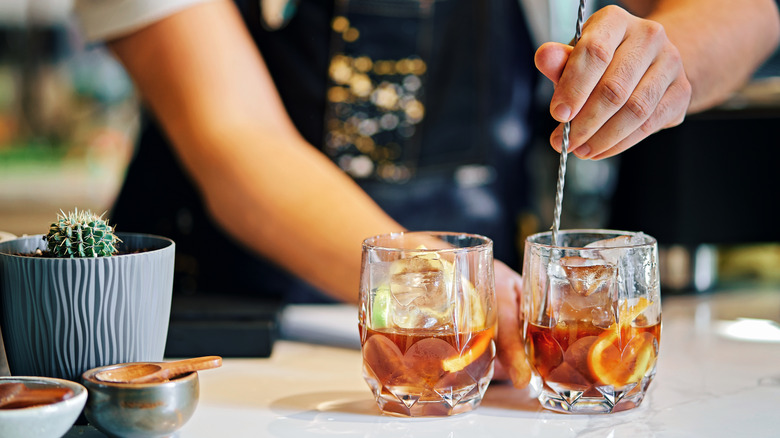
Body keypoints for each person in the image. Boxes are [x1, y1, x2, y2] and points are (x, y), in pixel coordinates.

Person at [71, 0, 780, 388]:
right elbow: (234, 139)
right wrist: (439, 284)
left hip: (486, 346)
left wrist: (668, 58)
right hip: (222, 342)